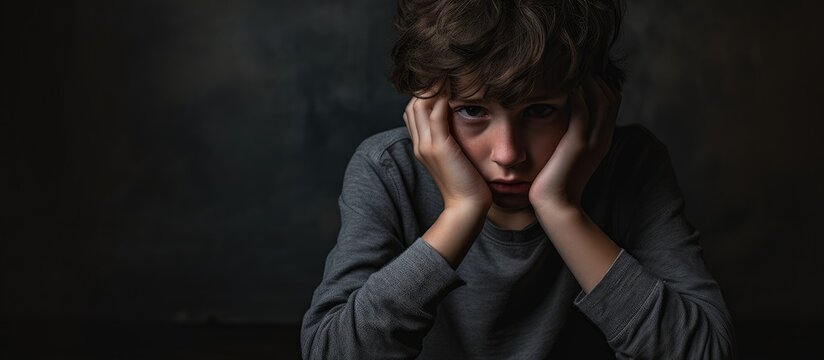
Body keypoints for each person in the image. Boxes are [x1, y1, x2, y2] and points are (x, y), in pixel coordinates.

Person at [301, 0, 735, 358]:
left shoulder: (633, 167)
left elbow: (707, 352)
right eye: (472, 110)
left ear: (591, 103)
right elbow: (331, 352)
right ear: (426, 107)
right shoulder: (388, 170)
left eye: (540, 110)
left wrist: (561, 209)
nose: (508, 154)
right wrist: (462, 213)